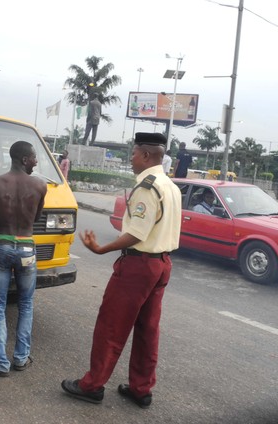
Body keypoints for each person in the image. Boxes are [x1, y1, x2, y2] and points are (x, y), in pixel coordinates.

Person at [61, 132, 181, 408]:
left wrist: (101, 248)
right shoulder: (170, 186)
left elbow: (136, 233)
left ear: (147, 155)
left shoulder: (147, 188)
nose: (131, 158)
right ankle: (141, 388)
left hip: (139, 265)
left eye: (134, 153)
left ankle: (92, 386)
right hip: (161, 264)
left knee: (111, 326)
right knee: (147, 330)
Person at [0, 140, 47, 377]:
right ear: (24, 160)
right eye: (34, 157)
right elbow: (35, 219)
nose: (36, 161)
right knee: (26, 305)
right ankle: (21, 359)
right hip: (27, 250)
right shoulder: (40, 185)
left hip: (2, 248)